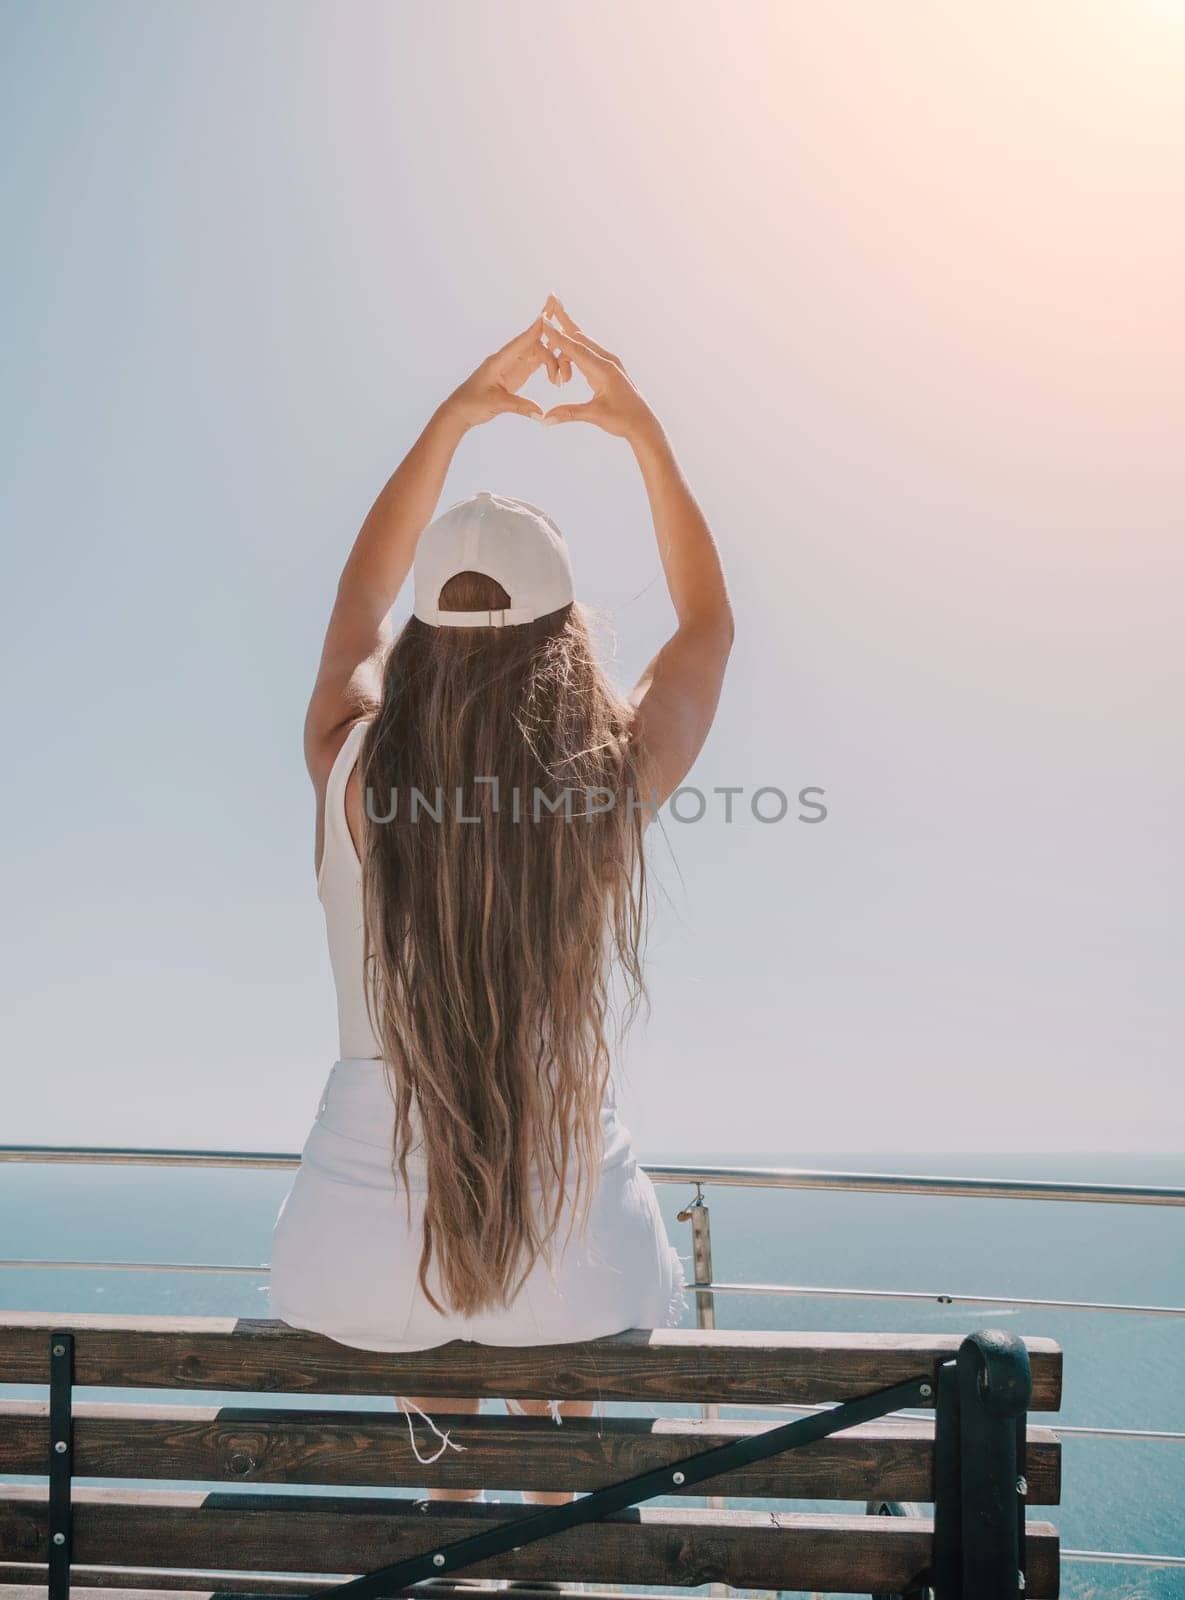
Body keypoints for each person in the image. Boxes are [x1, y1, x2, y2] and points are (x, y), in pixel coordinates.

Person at [269, 295, 733, 1507]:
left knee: (437, 1263)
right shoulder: (605, 785)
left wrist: (458, 414)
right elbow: (707, 625)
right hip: (576, 1269)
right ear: (568, 639)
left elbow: (358, 602)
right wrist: (640, 431)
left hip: (349, 1268)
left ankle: (453, 1501)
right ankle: (537, 1500)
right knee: (551, 1281)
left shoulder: (351, 768)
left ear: (423, 637)